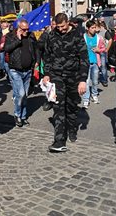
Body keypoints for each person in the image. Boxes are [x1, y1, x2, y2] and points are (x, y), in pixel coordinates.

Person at [42, 13, 88, 152]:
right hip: (57, 77)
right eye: (58, 26)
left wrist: (82, 80)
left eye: (62, 26)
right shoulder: (51, 35)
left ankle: (72, 129)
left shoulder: (77, 36)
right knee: (58, 107)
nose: (60, 29)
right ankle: (59, 141)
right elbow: (47, 55)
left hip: (73, 76)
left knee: (71, 107)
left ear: (68, 23)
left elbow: (84, 59)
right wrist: (47, 74)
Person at [3, 19, 37, 127]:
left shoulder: (31, 36)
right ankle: (17, 114)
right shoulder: (10, 36)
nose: (26, 31)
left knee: (25, 95)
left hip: (28, 70)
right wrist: (18, 39)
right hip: (15, 70)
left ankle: (23, 116)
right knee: (20, 94)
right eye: (24, 29)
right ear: (18, 28)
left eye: (27, 29)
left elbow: (36, 49)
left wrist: (36, 61)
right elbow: (6, 48)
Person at [81, 20, 105, 108]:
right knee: (86, 82)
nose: (94, 29)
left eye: (95, 27)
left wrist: (99, 50)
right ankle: (86, 99)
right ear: (87, 28)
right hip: (85, 63)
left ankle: (94, 94)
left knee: (95, 81)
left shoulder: (99, 38)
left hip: (95, 63)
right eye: (92, 28)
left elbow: (104, 48)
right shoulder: (83, 37)